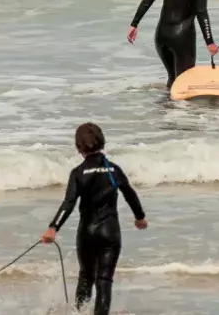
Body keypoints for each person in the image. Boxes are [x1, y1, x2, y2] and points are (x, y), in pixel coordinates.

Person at [40, 122, 146, 315]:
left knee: (86, 277)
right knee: (104, 281)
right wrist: (140, 217)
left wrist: (53, 227)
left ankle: (80, 312)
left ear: (78, 147)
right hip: (110, 232)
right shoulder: (114, 170)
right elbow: (129, 193)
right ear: (102, 142)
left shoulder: (78, 173)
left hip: (87, 232)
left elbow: (69, 203)